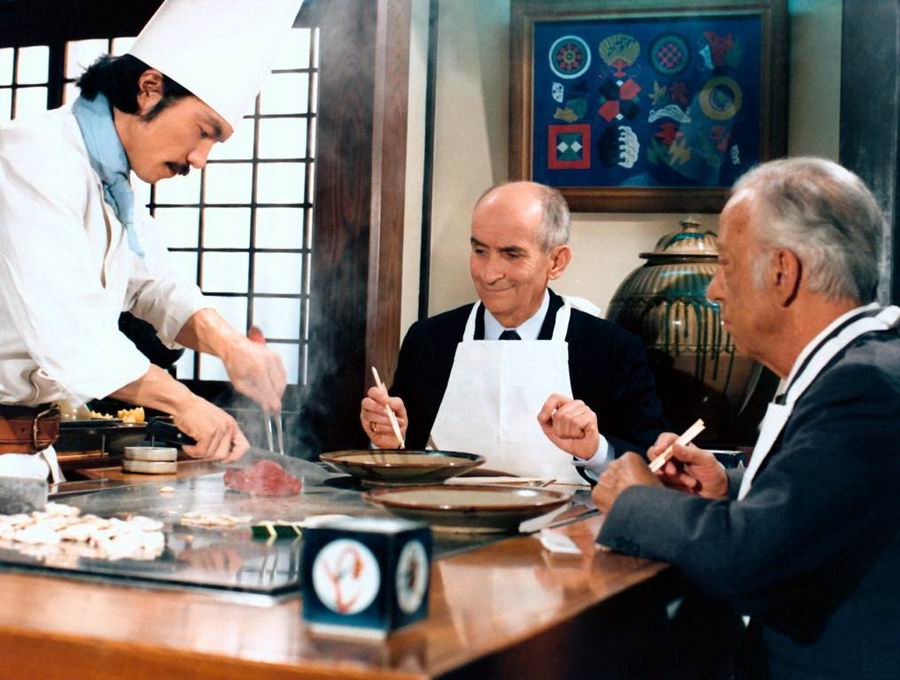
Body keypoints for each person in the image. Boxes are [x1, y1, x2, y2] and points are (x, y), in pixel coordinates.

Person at [551, 157, 900, 677]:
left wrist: (636, 500)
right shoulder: (864, 366)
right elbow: (822, 505)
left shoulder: (864, 389)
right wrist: (728, 486)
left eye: (726, 266)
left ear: (782, 272)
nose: (714, 290)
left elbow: (755, 559)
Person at [0, 0, 303, 480]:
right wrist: (185, 404)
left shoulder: (113, 185)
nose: (200, 159)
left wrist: (231, 346)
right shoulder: (33, 155)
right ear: (148, 89)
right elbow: (73, 336)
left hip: (27, 454)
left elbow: (155, 286)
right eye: (204, 132)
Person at [359, 181, 666, 484]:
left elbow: (655, 463)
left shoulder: (611, 349)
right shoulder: (428, 340)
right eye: (480, 250)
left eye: (512, 254)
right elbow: (403, 458)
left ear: (556, 262)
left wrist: (596, 451)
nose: (489, 274)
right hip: (445, 512)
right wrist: (386, 442)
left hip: (569, 516)